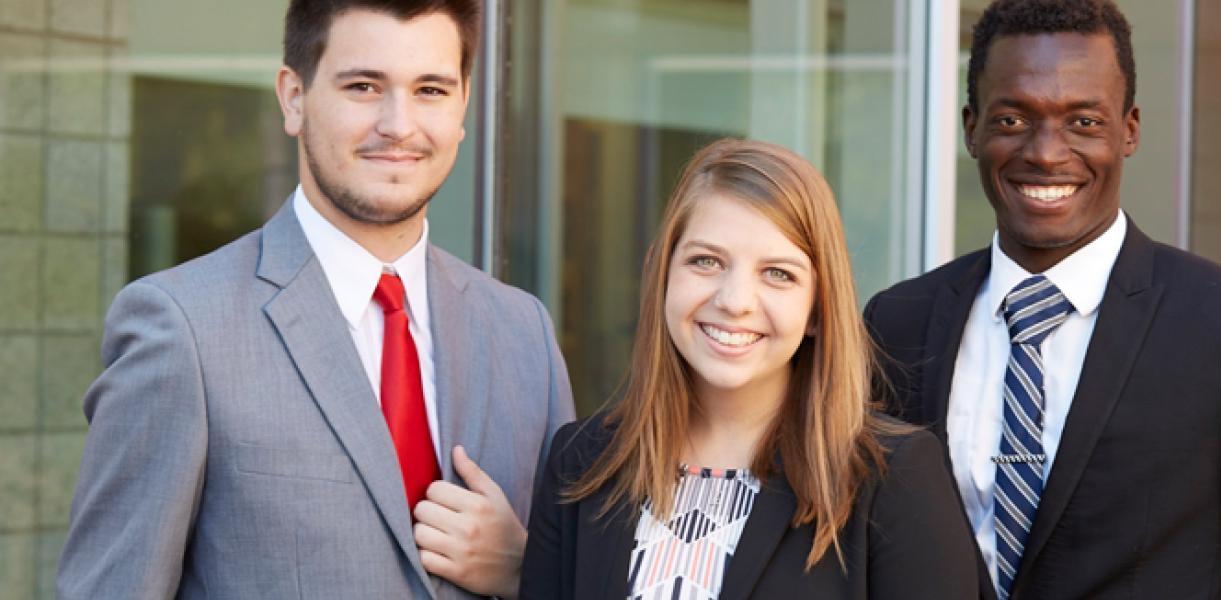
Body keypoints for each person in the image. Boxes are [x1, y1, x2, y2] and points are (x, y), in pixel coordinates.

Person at [56, 1, 574, 598]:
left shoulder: (523, 331)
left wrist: (525, 569)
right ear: (293, 98)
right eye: (363, 86)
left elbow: (581, 571)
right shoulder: (182, 329)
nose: (399, 124)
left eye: (431, 89)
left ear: (463, 108)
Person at [863, 1, 1221, 598]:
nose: (1046, 153)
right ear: (971, 127)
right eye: (1012, 120)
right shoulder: (897, 322)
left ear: (1128, 130)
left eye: (1083, 122)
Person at [521, 138, 980, 600]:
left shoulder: (893, 479)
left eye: (777, 273)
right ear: (662, 276)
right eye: (706, 261)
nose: (734, 301)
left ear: (819, 309)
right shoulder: (581, 462)